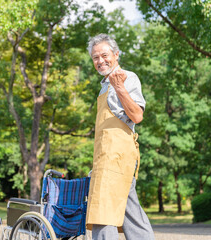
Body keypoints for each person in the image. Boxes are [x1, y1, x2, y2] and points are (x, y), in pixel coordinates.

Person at [85, 33, 155, 240]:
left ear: (116, 55)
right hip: (106, 157)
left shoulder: (127, 78)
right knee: (130, 214)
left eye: (104, 55)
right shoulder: (104, 85)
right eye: (95, 57)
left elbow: (137, 115)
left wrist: (119, 87)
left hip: (118, 157)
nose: (100, 61)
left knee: (103, 211)